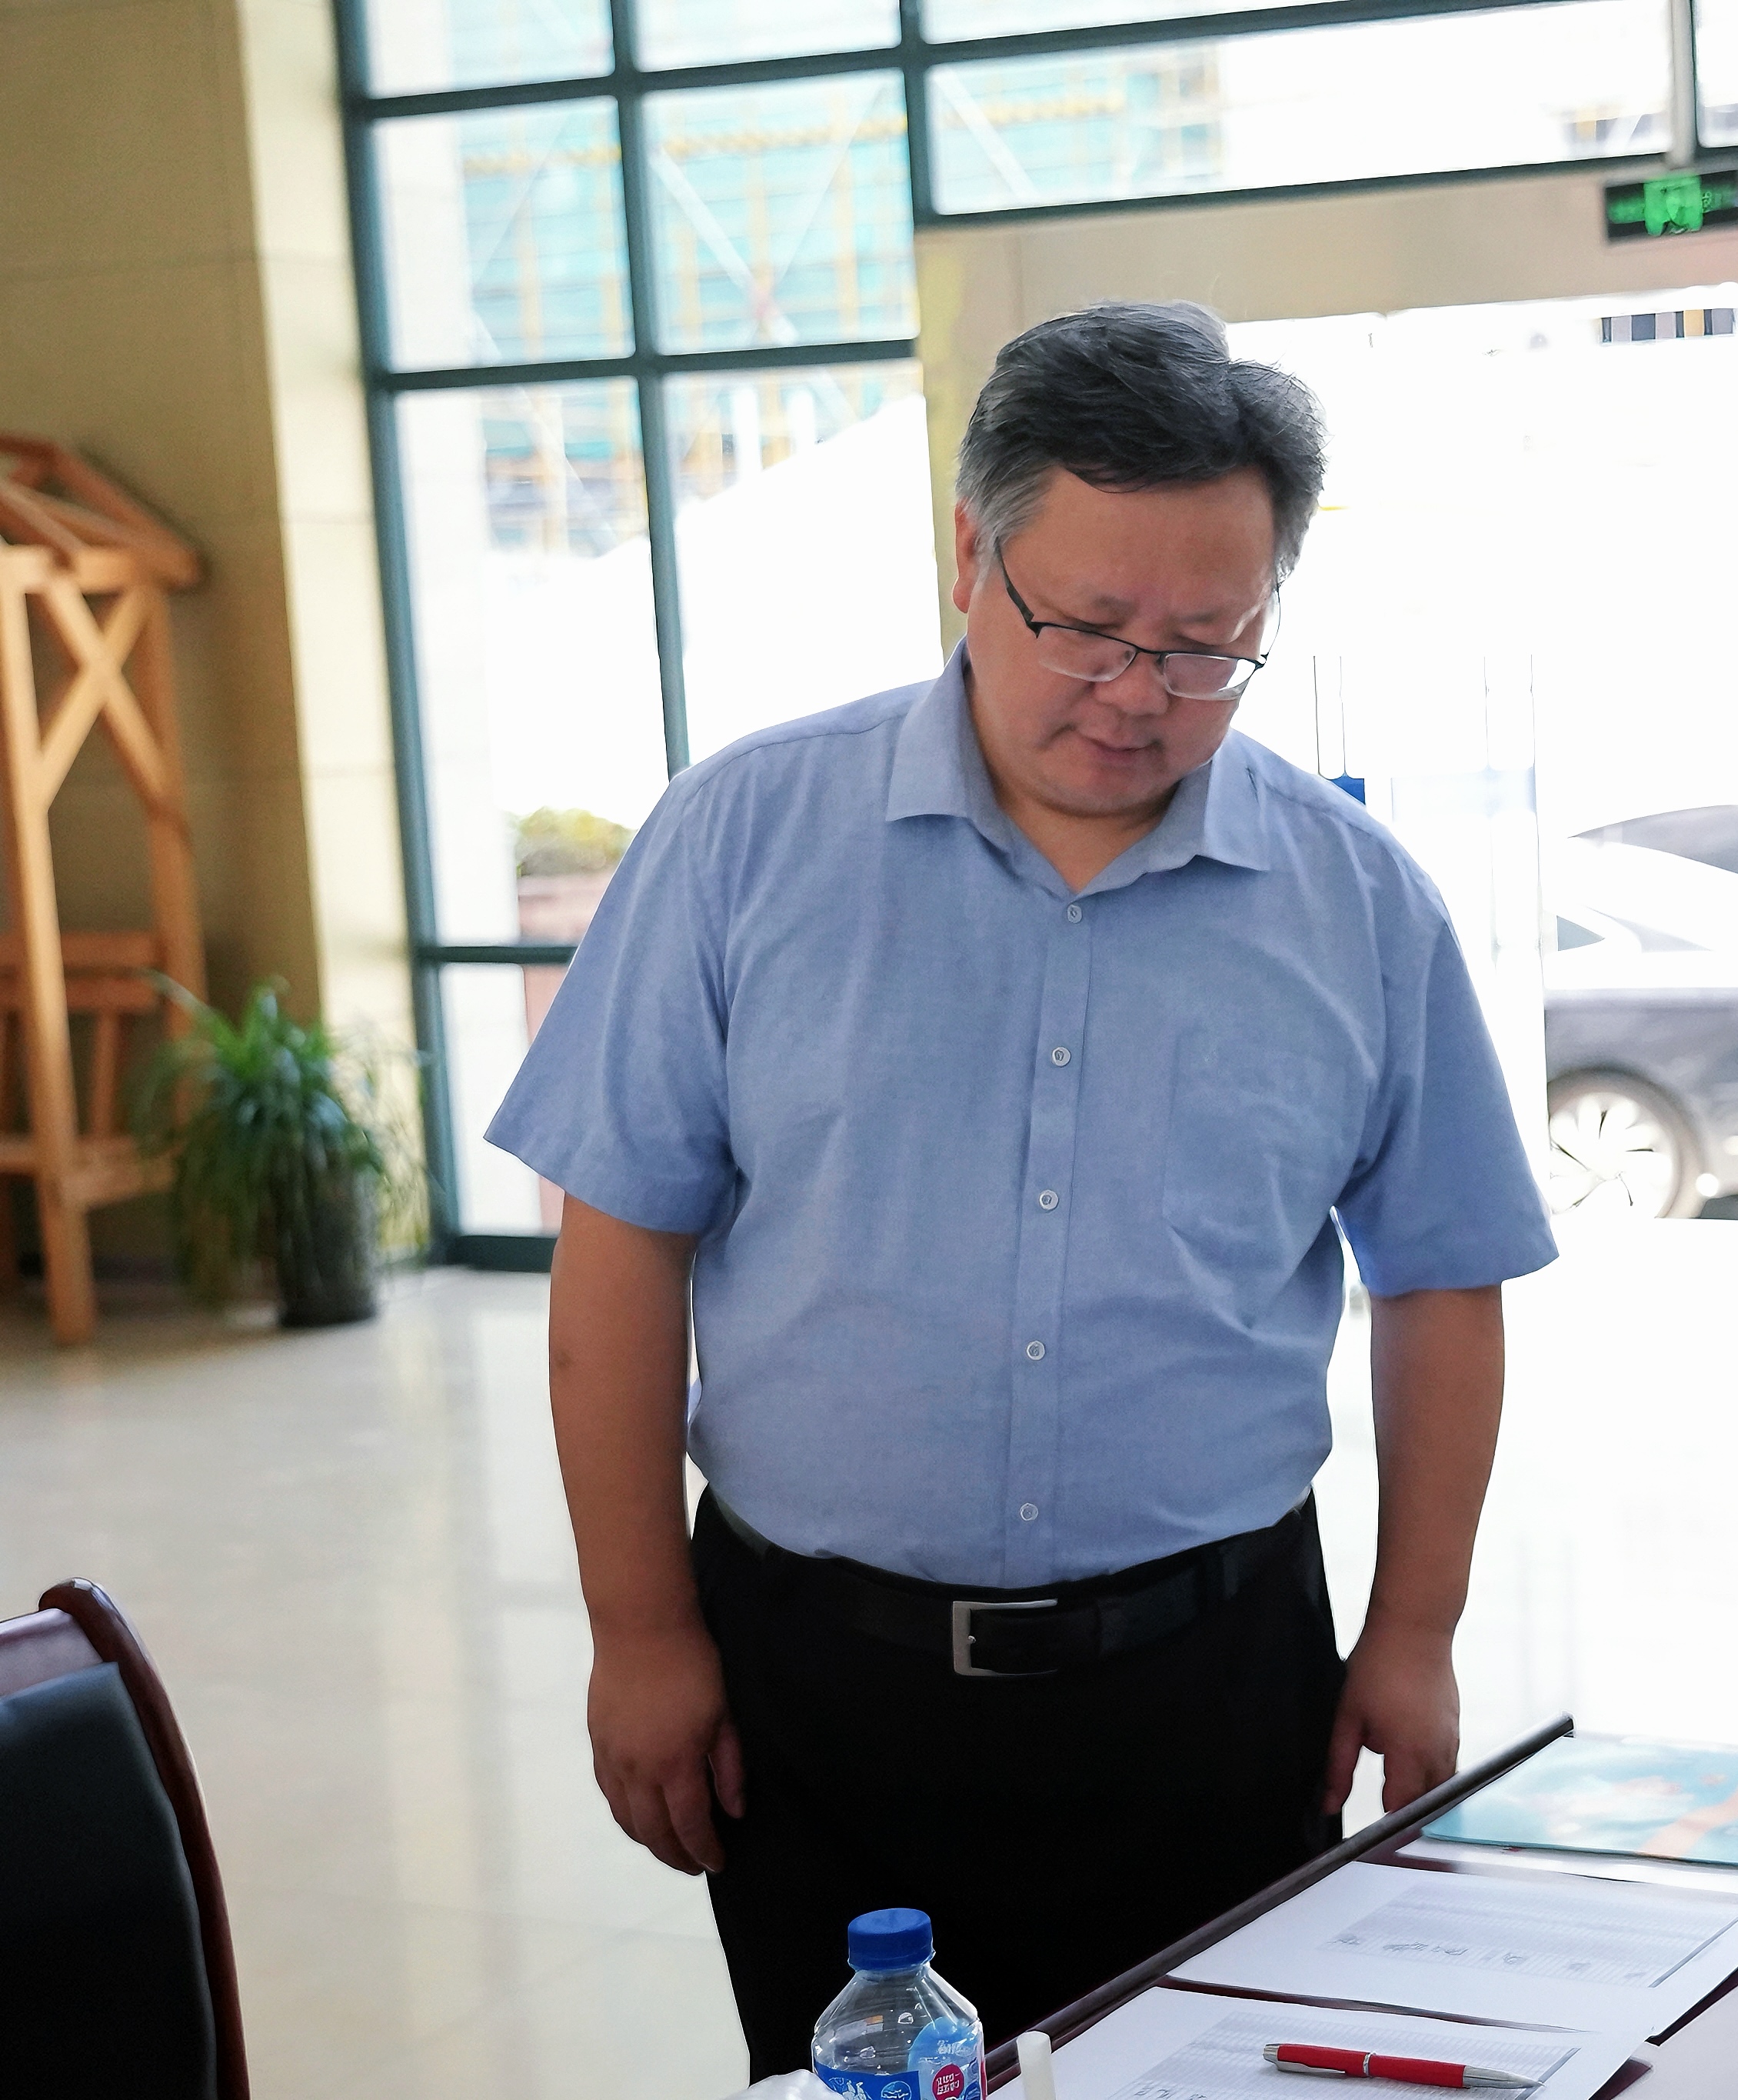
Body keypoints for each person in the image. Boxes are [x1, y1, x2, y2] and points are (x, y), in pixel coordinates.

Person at [491, 301, 1557, 2073]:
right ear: (968, 559)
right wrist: (640, 1630)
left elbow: (1442, 1278)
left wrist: (1414, 1628)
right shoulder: (743, 839)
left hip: (1218, 1676)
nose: (1137, 694)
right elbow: (620, 1249)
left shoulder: (1358, 903)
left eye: (1206, 649)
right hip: (817, 1675)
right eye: (1088, 628)